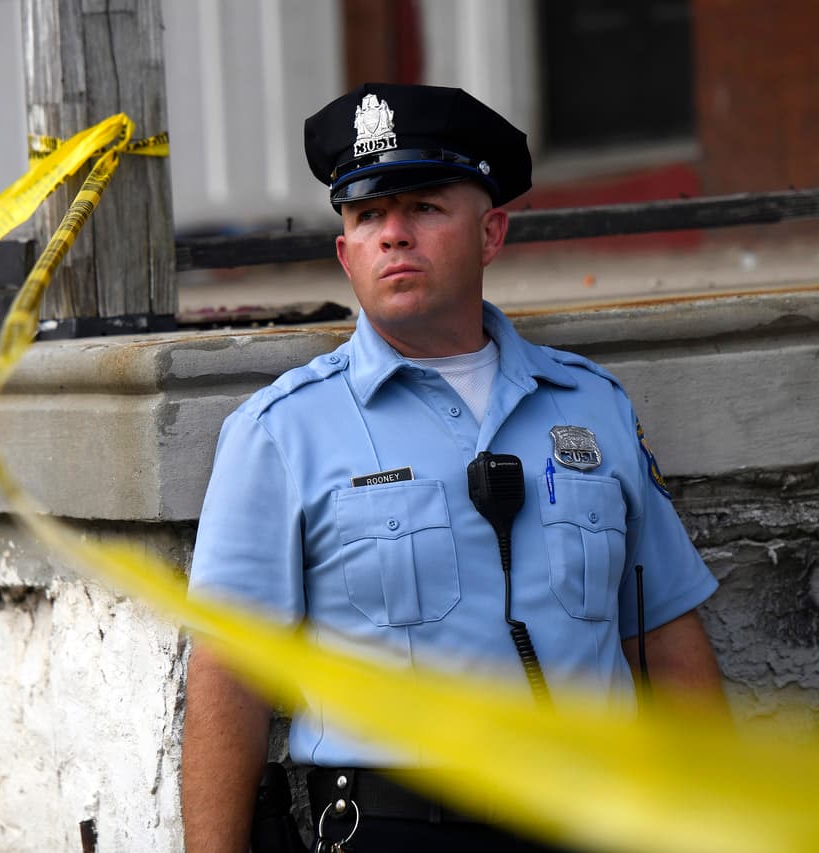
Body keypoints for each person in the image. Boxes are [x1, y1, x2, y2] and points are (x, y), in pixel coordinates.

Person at [182, 82, 726, 853]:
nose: (392, 235)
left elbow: (665, 634)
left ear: (492, 232)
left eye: (425, 207)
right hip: (401, 829)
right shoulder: (282, 433)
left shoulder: (593, 408)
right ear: (345, 253)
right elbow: (229, 677)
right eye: (368, 216)